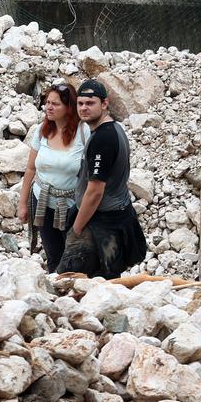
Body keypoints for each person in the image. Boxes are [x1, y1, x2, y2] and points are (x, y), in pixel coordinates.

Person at [59, 79, 147, 279]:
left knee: (71, 280)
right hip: (114, 216)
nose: (84, 108)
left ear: (104, 104)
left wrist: (77, 228)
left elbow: (95, 191)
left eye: (90, 103)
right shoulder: (113, 129)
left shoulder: (103, 138)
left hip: (101, 223)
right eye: (80, 103)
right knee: (104, 281)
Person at [17, 82, 88, 272]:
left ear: (68, 107)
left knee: (73, 255)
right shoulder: (42, 131)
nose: (49, 107)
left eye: (55, 104)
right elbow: (31, 169)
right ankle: (56, 294)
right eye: (47, 102)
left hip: (72, 205)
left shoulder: (83, 132)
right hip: (42, 200)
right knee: (53, 254)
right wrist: (22, 204)